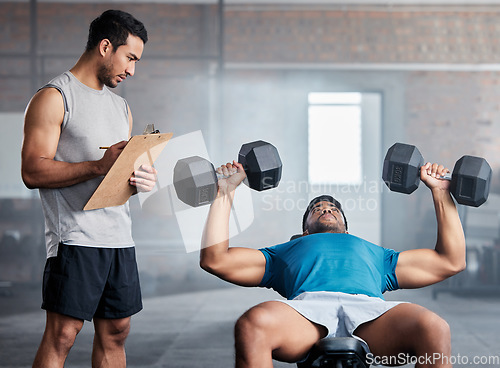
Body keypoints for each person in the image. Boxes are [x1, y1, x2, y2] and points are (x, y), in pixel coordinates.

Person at [200, 160, 466, 368]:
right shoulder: (284, 252)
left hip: (371, 314)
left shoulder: (375, 253)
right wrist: (225, 191)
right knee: (252, 324)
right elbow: (216, 260)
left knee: (433, 327)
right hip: (305, 315)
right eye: (317, 208)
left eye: (333, 208)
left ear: (347, 229)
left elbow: (450, 261)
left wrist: (441, 192)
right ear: (305, 231)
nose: (326, 208)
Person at [21, 10, 156, 368]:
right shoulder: (54, 96)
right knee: (63, 334)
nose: (131, 70)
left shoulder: (121, 107)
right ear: (105, 46)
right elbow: (32, 170)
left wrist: (141, 178)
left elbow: (118, 170)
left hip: (119, 239)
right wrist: (98, 166)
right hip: (76, 239)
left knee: (117, 331)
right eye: (129, 58)